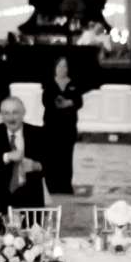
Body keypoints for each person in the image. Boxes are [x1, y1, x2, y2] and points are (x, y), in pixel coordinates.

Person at [0, 94, 46, 218]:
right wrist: (7, 157)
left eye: (15, 112)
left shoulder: (38, 134)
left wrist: (37, 166)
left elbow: (55, 165)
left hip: (30, 199)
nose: (11, 118)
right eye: (6, 113)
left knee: (32, 237)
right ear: (1, 115)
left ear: (23, 113)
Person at [40, 57, 83, 195]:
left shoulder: (74, 83)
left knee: (66, 157)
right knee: (51, 157)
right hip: (51, 128)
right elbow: (46, 101)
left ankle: (65, 185)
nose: (62, 69)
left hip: (68, 128)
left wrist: (69, 103)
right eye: (60, 66)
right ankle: (51, 186)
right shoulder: (49, 83)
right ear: (55, 68)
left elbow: (79, 101)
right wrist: (60, 103)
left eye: (65, 66)